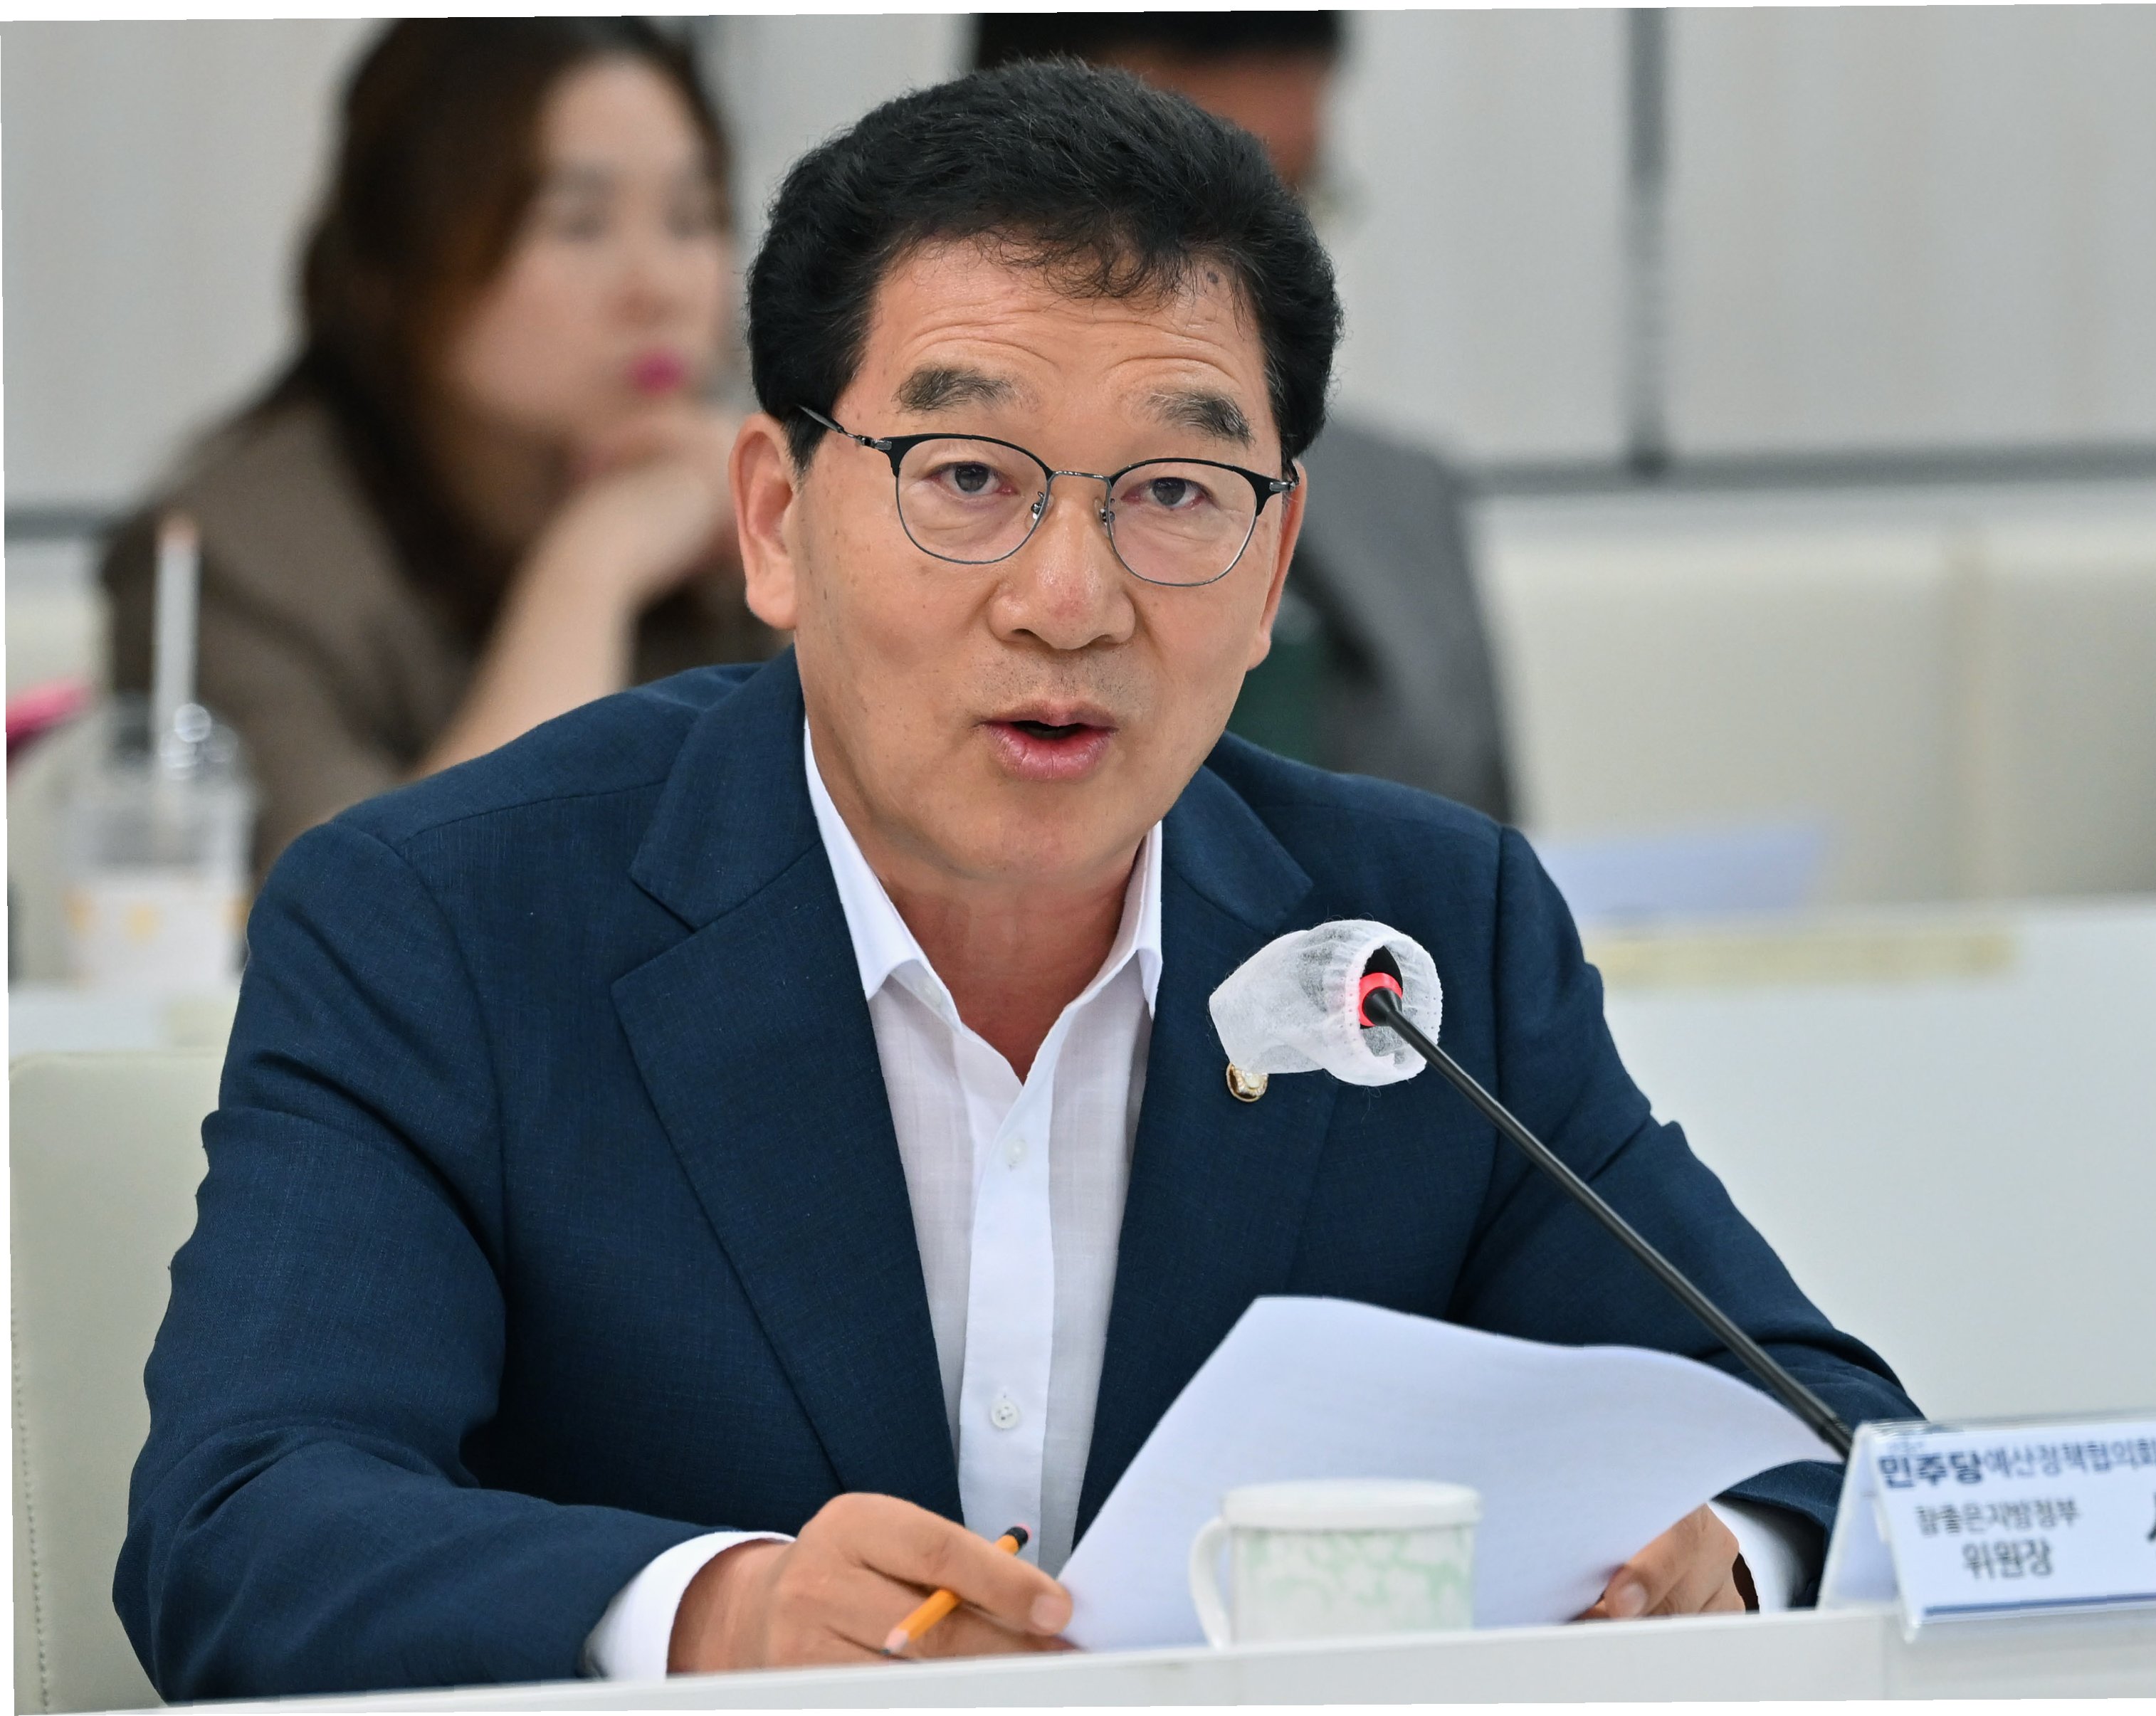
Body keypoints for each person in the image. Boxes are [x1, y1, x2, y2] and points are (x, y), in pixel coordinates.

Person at [117, 63, 1915, 1699]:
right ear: (775, 521)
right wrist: (718, 1613)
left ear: (1273, 556)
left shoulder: (1420, 937)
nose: (1070, 597)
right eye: (967, 475)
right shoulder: (442, 921)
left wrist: (1724, 1559)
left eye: (1176, 492)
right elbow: (242, 1523)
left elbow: (1827, 1430)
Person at [100, 19, 776, 878]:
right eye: (578, 224)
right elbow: (373, 918)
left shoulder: (747, 499)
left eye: (691, 218)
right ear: (402, 257)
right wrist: (593, 566)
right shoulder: (235, 560)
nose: (659, 287)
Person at [974, 11, 1515, 818]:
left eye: (1289, 206)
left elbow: (1490, 861)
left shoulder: (1408, 500)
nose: (1247, 272)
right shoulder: (851, 501)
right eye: (1165, 216)